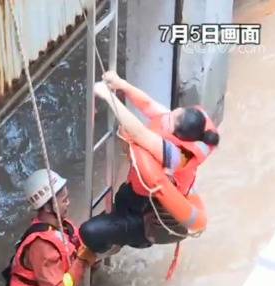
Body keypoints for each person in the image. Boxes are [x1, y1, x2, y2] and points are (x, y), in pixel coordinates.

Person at [80, 71, 220, 252]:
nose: (165, 118)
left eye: (169, 120)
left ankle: (108, 247)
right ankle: (115, 233)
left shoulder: (178, 156)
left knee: (89, 231)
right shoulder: (184, 129)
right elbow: (149, 105)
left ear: (178, 135)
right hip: (134, 195)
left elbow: (139, 133)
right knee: (119, 204)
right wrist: (122, 85)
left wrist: (108, 97)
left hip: (146, 214)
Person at [3, 169, 97, 286]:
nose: (69, 203)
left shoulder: (65, 226)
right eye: (64, 200)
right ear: (48, 207)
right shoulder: (42, 246)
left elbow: (82, 247)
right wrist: (82, 262)